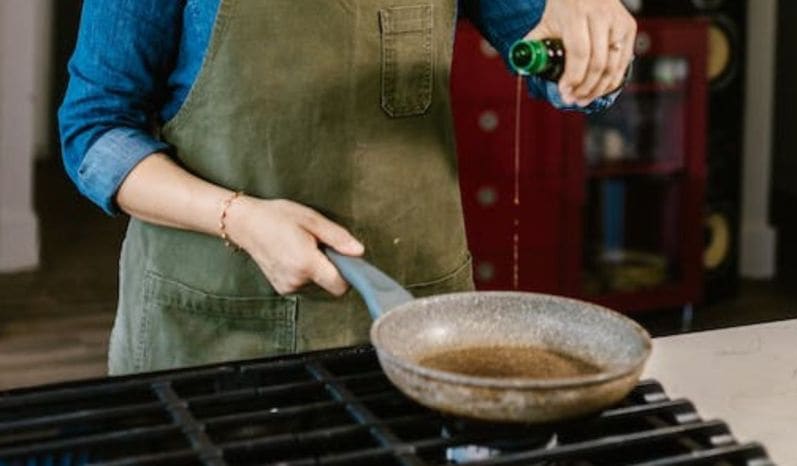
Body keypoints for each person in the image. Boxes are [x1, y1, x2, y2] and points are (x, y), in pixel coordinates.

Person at [58, 0, 637, 375]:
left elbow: (553, 58)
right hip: (213, 338)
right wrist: (241, 219)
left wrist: (592, 43)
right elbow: (95, 133)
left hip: (411, 335)